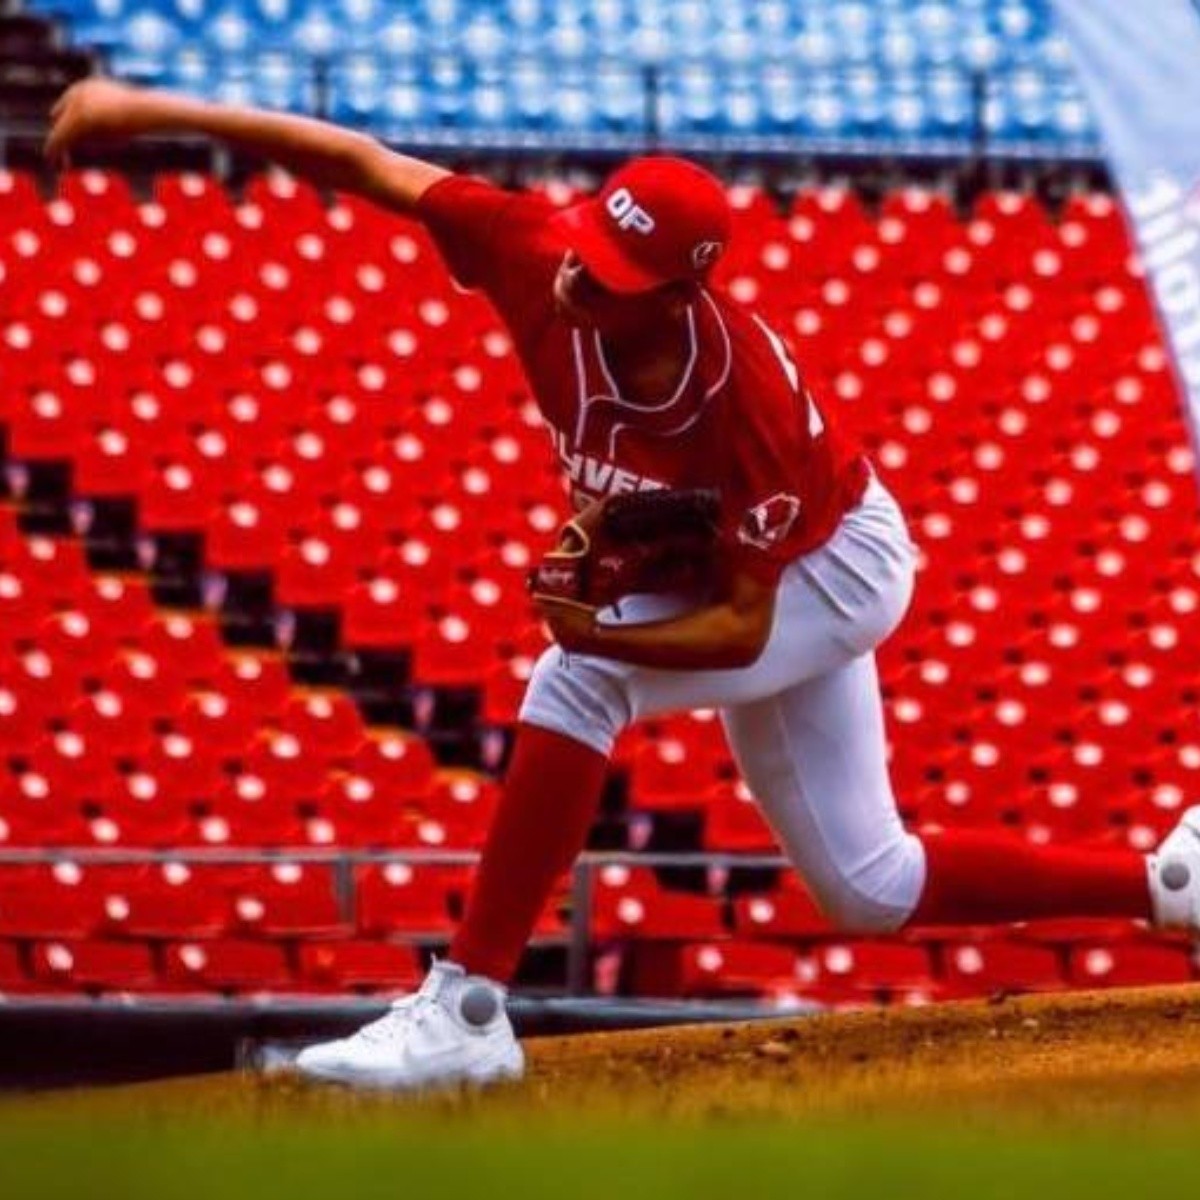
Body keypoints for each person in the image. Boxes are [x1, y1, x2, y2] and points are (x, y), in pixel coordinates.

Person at [45, 79, 1200, 1092]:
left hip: (837, 571)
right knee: (867, 887)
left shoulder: (740, 397)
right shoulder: (535, 250)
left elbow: (745, 630)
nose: (577, 286)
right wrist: (150, 111)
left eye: (612, 277)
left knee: (581, 672)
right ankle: (1170, 885)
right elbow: (359, 162)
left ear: (676, 293)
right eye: (590, 252)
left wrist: (600, 622)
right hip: (741, 568)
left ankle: (470, 1011)